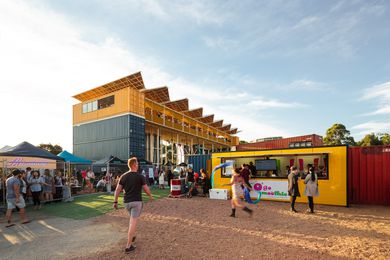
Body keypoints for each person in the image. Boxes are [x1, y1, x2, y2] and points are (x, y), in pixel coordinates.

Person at [113, 157, 153, 253]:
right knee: (133, 223)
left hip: (127, 202)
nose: (138, 165)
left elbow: (118, 190)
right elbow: (146, 189)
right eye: (137, 163)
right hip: (136, 202)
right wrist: (150, 196)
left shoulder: (123, 176)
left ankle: (132, 235)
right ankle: (128, 246)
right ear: (134, 165)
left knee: (132, 221)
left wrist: (115, 201)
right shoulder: (140, 176)